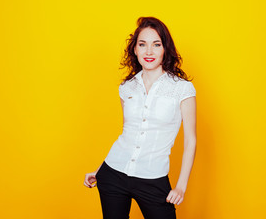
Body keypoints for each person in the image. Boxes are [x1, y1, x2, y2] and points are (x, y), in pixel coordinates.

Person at [84, 17, 197, 219]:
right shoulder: (126, 87)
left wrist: (180, 187)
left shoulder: (182, 89)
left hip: (153, 179)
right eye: (142, 44)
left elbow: (190, 140)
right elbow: (129, 133)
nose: (149, 52)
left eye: (156, 44)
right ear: (134, 49)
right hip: (113, 174)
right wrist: (100, 169)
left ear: (165, 49)